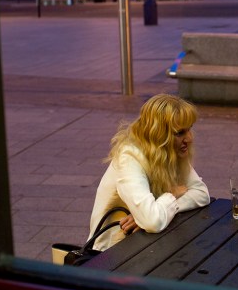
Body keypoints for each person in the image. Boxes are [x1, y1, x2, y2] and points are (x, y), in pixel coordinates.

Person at [88, 94, 210, 251]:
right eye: (180, 133)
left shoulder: (171, 151)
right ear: (158, 134)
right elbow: (153, 221)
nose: (189, 138)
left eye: (189, 129)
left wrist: (150, 214)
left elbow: (201, 193)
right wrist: (172, 194)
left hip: (146, 246)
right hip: (111, 253)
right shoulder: (129, 157)